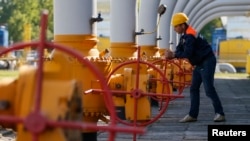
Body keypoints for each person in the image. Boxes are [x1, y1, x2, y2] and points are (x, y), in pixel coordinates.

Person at [166, 12, 225, 122]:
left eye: (176, 26)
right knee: (193, 88)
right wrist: (174, 53)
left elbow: (187, 53)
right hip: (200, 63)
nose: (174, 29)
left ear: (182, 25)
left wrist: (173, 55)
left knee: (209, 89)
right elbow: (180, 49)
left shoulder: (190, 35)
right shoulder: (185, 35)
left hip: (207, 61)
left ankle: (220, 113)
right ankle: (193, 115)